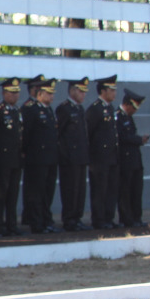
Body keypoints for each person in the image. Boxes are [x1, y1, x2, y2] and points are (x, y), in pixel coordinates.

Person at [21, 76, 59, 234]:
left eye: (52, 93)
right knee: (36, 193)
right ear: (40, 93)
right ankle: (37, 223)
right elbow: (26, 135)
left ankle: (46, 219)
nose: (52, 96)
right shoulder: (31, 109)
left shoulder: (48, 110)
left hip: (50, 158)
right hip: (36, 159)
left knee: (47, 192)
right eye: (49, 93)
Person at [0, 77, 24, 236]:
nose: (14, 96)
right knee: (0, 194)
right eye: (11, 92)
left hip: (16, 159)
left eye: (17, 93)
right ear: (3, 93)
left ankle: (11, 224)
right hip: (2, 160)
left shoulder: (17, 111)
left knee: (13, 194)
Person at [57, 77, 91, 232]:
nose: (83, 94)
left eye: (85, 92)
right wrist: (65, 155)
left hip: (81, 157)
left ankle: (77, 218)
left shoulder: (79, 109)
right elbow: (59, 134)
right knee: (70, 190)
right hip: (69, 159)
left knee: (79, 191)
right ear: (72, 91)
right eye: (80, 91)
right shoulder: (64, 109)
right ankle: (69, 219)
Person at [86, 75, 120, 229]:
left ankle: (108, 217)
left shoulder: (110, 108)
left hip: (111, 157)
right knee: (99, 190)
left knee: (110, 189)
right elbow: (90, 133)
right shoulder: (95, 109)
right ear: (104, 91)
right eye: (111, 90)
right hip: (99, 158)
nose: (114, 93)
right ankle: (99, 220)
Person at [116, 89, 149, 228]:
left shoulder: (129, 118)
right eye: (134, 107)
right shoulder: (118, 117)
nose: (135, 111)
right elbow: (122, 137)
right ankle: (127, 219)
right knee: (125, 192)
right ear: (127, 104)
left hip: (135, 161)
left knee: (136, 191)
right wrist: (138, 140)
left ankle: (136, 217)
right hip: (125, 161)